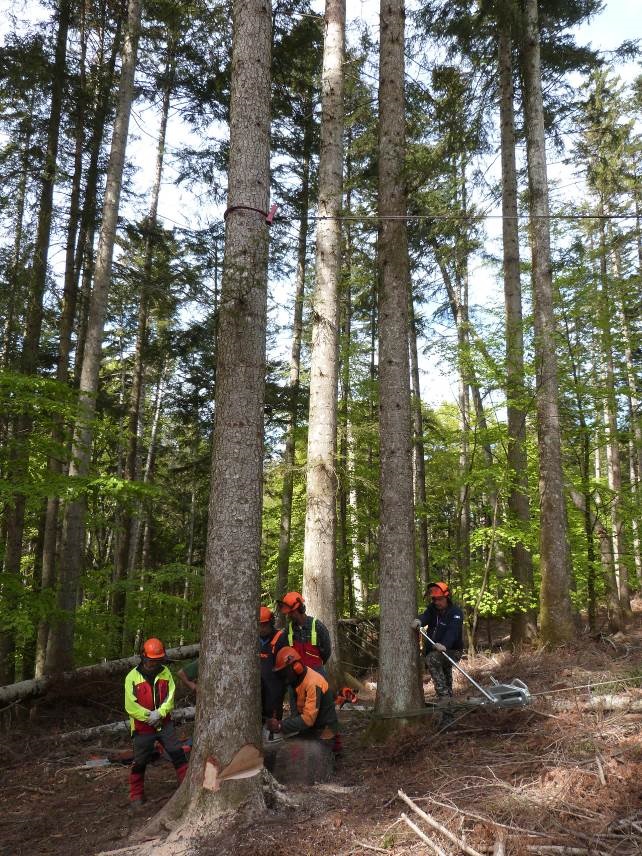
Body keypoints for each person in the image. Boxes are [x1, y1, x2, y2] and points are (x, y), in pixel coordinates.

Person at [124, 637, 188, 811]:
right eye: (151, 660)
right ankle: (136, 796)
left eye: (157, 660)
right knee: (140, 761)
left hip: (164, 722)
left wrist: (160, 713)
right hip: (142, 727)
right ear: (144, 657)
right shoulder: (132, 677)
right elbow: (130, 706)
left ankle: (186, 788)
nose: (154, 664)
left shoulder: (166, 673)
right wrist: (148, 716)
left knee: (177, 752)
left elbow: (171, 696)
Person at [265, 646, 338, 748]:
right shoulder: (295, 682)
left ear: (297, 667)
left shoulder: (313, 683)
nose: (284, 678)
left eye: (285, 673)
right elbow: (296, 715)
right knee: (289, 746)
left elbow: (308, 719)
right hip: (310, 728)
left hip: (324, 730)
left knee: (302, 752)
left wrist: (280, 725)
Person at [413, 581, 464, 699]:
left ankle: (443, 696)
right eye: (434, 600)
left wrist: (445, 645)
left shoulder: (455, 612)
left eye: (440, 599)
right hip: (435, 649)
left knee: (432, 659)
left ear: (447, 597)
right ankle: (448, 710)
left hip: (452, 651)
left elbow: (453, 631)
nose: (437, 602)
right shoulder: (432, 609)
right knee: (446, 676)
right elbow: (425, 616)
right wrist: (419, 621)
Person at [276, 591, 331, 676]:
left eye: (291, 613)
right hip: (296, 674)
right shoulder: (288, 630)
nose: (288, 615)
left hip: (316, 672)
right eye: (288, 613)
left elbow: (326, 652)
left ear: (300, 609)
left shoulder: (317, 626)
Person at [259, 605, 287, 721]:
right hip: (257, 685)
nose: (262, 628)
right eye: (259, 625)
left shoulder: (280, 638)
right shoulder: (251, 639)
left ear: (271, 623)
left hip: (275, 684)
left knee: (273, 710)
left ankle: (275, 731)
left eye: (265, 624)